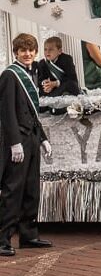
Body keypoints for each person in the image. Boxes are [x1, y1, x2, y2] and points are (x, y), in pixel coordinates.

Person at [0, 34, 52, 257]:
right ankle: (2, 238)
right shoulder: (9, 76)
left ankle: (28, 235)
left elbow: (32, 113)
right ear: (16, 52)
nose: (27, 54)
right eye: (23, 50)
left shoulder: (33, 73)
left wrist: (43, 138)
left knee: (32, 188)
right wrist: (14, 143)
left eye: (31, 50)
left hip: (31, 138)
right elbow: (6, 112)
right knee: (14, 189)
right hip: (18, 141)